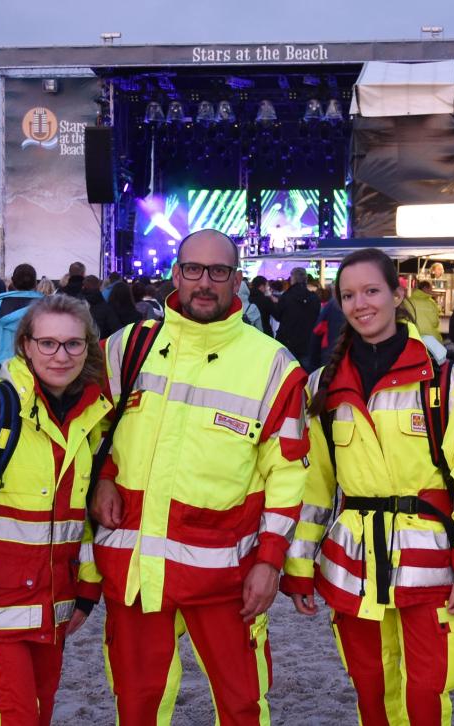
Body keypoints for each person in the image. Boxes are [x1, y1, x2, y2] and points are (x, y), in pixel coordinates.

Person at [88, 229, 308, 725]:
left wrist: (270, 562)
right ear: (175, 273)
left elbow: (287, 476)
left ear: (236, 279)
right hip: (134, 568)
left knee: (242, 705)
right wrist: (103, 475)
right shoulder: (125, 347)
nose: (204, 282)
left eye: (218, 271)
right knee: (137, 705)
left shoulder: (273, 365)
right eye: (193, 269)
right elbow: (90, 428)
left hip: (227, 575)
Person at [282, 248, 454, 726]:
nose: (361, 304)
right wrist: (299, 565)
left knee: (426, 691)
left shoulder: (448, 383)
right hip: (351, 564)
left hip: (429, 564)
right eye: (348, 295)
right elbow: (315, 488)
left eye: (371, 291)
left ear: (397, 294)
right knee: (370, 687)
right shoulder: (323, 387)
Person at [0, 294, 109, 724]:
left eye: (73, 344)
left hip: (52, 612)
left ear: (88, 348)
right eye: (48, 343)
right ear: (26, 345)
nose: (61, 355)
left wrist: (86, 591)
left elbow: (80, 520)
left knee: (37, 715)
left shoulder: (88, 417)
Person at [0, 264, 44, 363]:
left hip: (5, 370)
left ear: (13, 281)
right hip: (37, 368)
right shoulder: (47, 306)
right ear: (35, 283)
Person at [275, 266, 322, 365]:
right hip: (307, 342)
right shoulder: (314, 298)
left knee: (287, 373)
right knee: (306, 374)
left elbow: (277, 316)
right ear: (305, 279)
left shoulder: (286, 296)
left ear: (293, 279)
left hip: (288, 341)